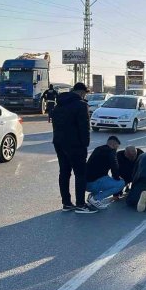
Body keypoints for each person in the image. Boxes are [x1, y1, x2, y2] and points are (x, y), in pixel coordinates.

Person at [51, 82, 97, 214]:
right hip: (75, 144)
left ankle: (66, 203)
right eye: (85, 93)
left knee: (64, 172)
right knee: (80, 174)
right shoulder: (81, 105)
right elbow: (84, 127)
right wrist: (85, 144)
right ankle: (81, 205)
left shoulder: (58, 104)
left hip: (59, 142)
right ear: (82, 92)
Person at [85, 136, 126, 209]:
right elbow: (115, 167)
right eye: (117, 147)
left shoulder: (98, 149)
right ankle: (95, 199)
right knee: (121, 183)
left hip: (85, 183)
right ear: (114, 145)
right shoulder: (111, 152)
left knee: (105, 177)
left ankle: (92, 196)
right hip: (94, 183)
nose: (117, 149)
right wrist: (117, 177)